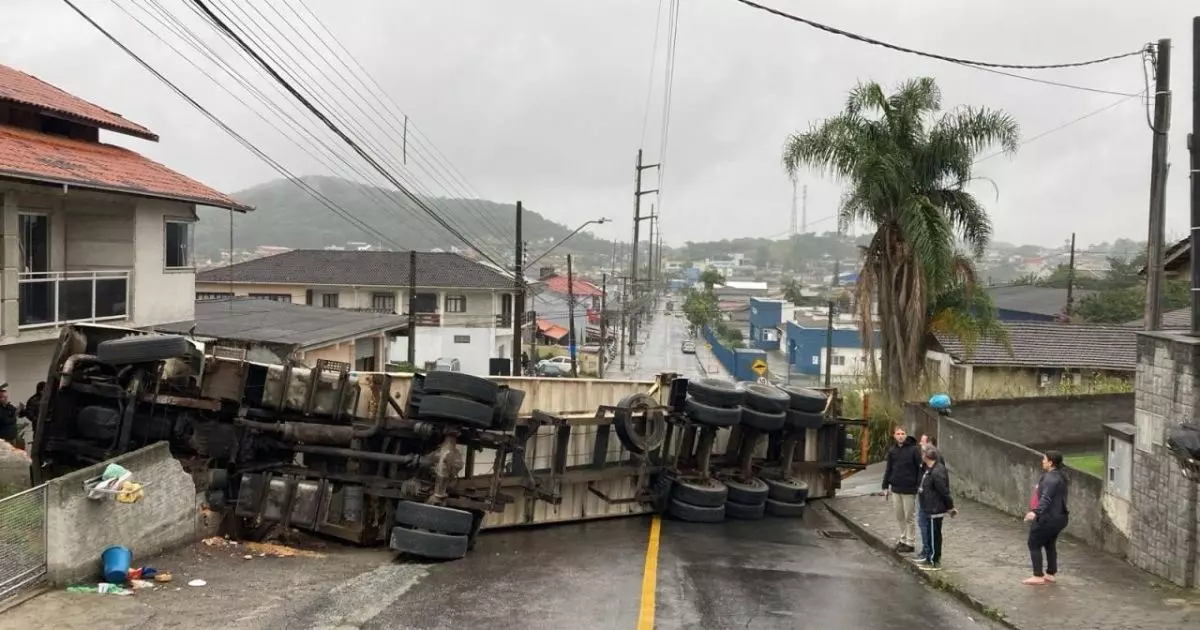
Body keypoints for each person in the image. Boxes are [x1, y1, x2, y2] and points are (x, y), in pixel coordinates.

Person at [1024, 450, 1070, 585]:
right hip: (1060, 518)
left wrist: (1036, 512)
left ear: (1050, 462)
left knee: (1033, 543)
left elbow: (1046, 497)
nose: (1042, 462)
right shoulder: (1061, 476)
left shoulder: (1050, 478)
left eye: (1044, 459)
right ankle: (1050, 573)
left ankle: (1038, 575)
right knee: (1050, 543)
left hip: (1047, 518)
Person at [916, 444, 956, 570]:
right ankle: (929, 557)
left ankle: (934, 561)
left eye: (922, 453)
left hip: (935, 508)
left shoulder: (936, 472)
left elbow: (944, 491)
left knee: (934, 535)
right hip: (929, 507)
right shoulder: (929, 468)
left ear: (926, 455)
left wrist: (950, 507)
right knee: (930, 533)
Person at [882, 426, 922, 552]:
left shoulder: (914, 450)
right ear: (894, 435)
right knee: (899, 515)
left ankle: (910, 542)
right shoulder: (892, 450)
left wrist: (918, 485)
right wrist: (885, 486)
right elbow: (889, 469)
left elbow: (920, 469)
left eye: (903, 433)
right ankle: (903, 539)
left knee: (909, 516)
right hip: (896, 488)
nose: (900, 436)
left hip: (909, 488)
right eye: (898, 434)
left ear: (906, 435)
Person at [915, 434, 944, 560]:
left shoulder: (935, 463)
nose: (920, 444)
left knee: (927, 526)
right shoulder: (924, 462)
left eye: (923, 442)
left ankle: (929, 553)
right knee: (923, 524)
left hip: (931, 501)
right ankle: (926, 550)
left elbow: (941, 485)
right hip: (924, 497)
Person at [0, 383, 20, 449]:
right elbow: (5, 420)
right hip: (4, 438)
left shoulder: (8, 406)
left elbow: (14, 411)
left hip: (12, 437)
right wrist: (15, 417)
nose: (6, 399)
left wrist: (19, 410)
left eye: (6, 397)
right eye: (3, 397)